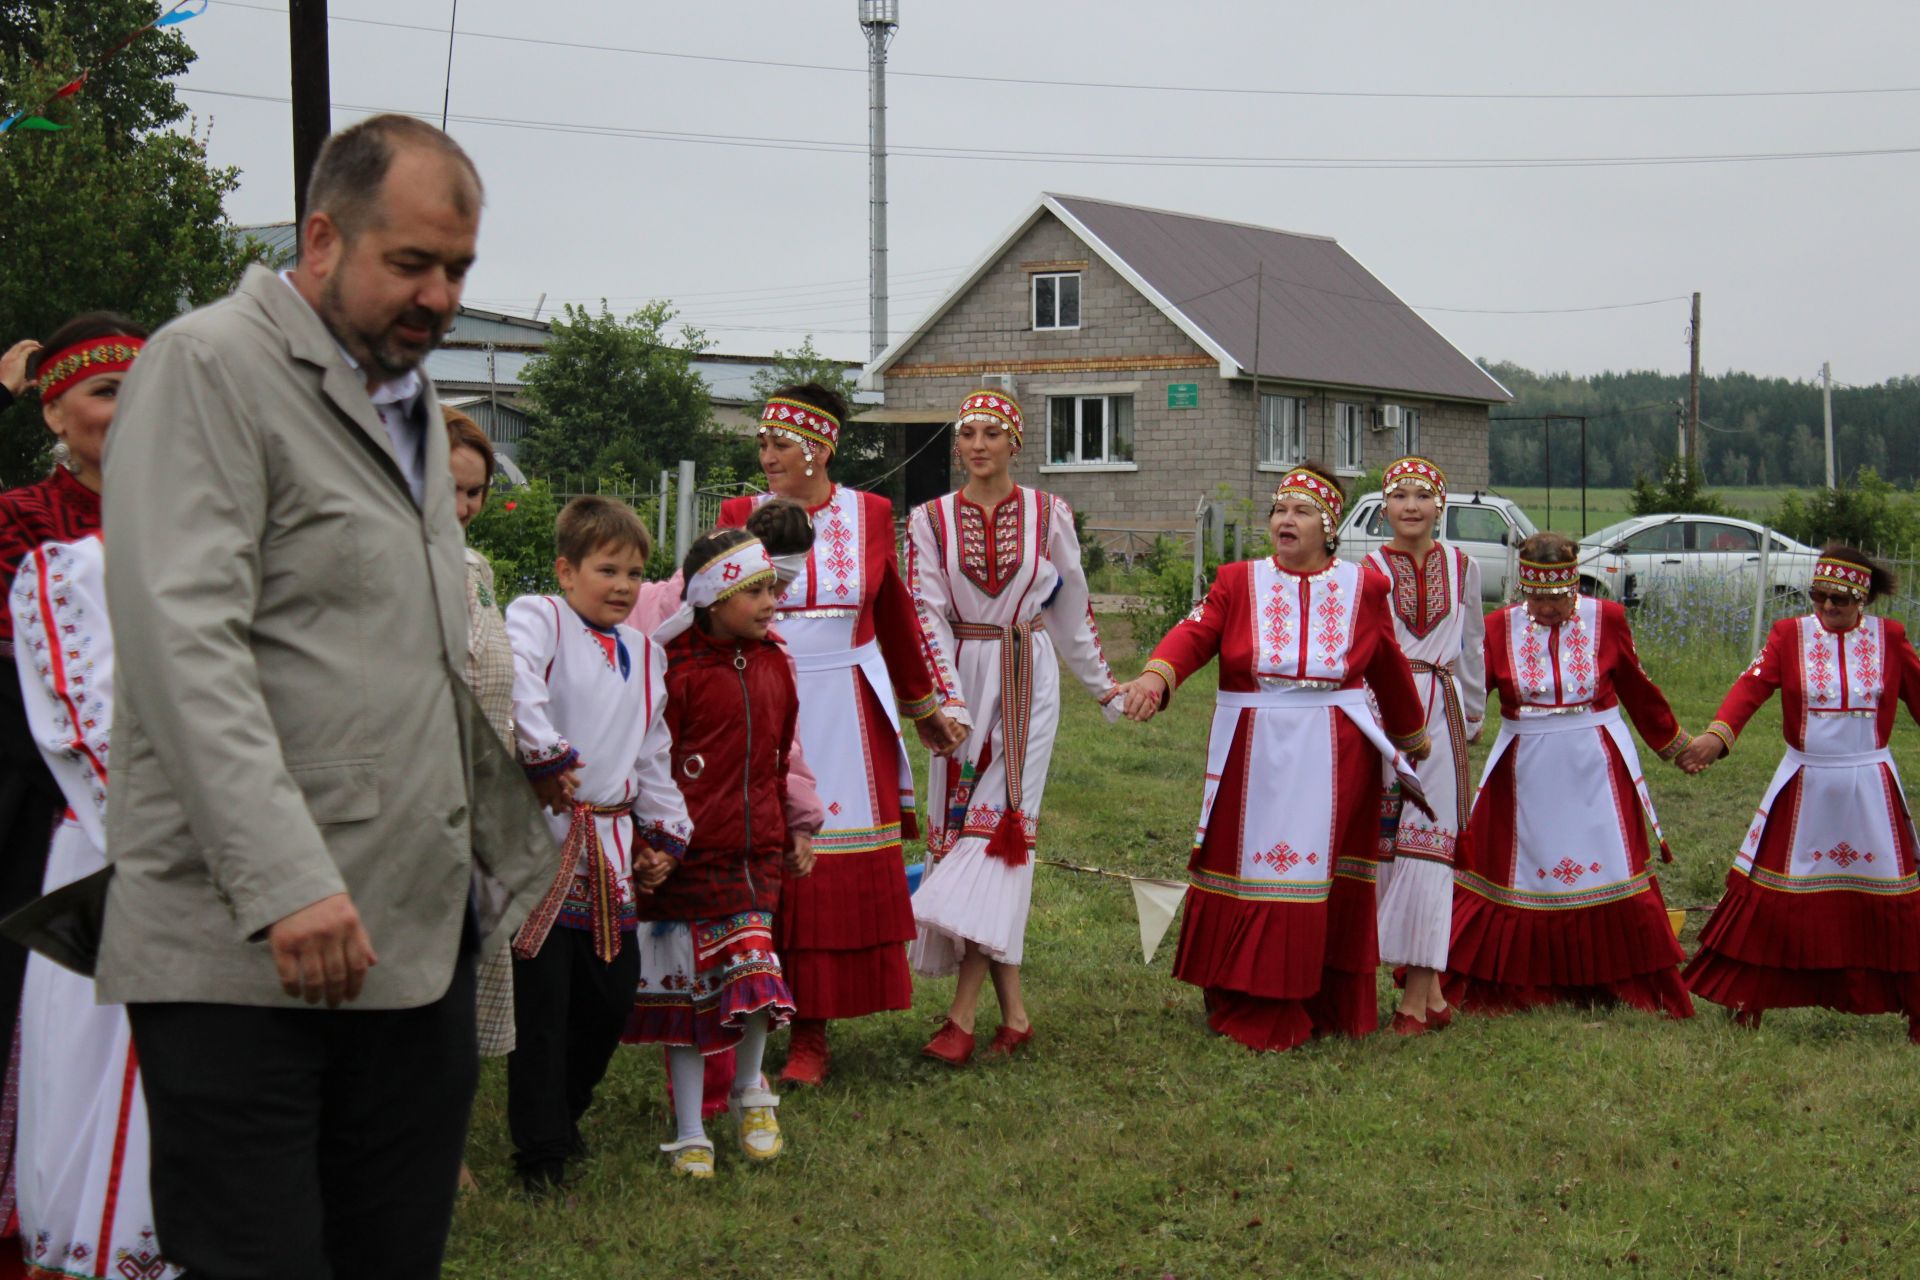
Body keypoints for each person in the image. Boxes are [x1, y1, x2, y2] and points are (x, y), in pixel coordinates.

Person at [101, 115, 551, 1277]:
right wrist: (288, 878)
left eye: (458, 269)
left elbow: (404, 656)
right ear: (319, 236)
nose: (440, 295)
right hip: (252, 942)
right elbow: (181, 637)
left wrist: (498, 850)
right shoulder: (206, 367)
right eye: (410, 263)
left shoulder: (405, 397)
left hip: (409, 935)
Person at [1110, 465, 1431, 1052]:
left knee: (1316, 871)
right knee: (1257, 866)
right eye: (1280, 510)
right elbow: (1195, 633)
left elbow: (1386, 663)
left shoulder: (1364, 589)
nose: (1285, 520)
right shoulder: (1237, 582)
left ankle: (1321, 1000)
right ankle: (1250, 996)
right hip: (1254, 746)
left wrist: (1412, 737)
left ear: (1329, 528)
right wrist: (1157, 677)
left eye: (1301, 512)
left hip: (1339, 751)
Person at [719, 382, 966, 1086]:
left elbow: (892, 618)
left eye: (779, 444)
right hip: (761, 700)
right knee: (760, 861)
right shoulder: (740, 516)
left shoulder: (872, 514)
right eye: (761, 442)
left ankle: (811, 1036)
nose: (765, 455)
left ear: (820, 449)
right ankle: (745, 1014)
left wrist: (928, 712)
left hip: (847, 714)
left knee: (825, 874)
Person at [9, 339, 175, 1277]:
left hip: (242, 859)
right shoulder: (64, 564)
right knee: (113, 1076)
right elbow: (86, 729)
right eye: (111, 392)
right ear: (55, 412)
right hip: (120, 849)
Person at [906, 391, 1121, 1064]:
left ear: (1015, 442)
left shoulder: (1047, 514)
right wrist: (946, 701)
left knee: (997, 838)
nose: (977, 443)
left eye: (992, 432)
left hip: (1027, 677)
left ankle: (962, 1019)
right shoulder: (930, 520)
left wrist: (1108, 691)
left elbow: (1072, 610)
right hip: (959, 681)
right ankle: (1017, 1016)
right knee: (961, 833)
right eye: (967, 432)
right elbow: (925, 612)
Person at [503, 496, 692, 1193]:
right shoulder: (539, 616)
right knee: (543, 1006)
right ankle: (540, 1154)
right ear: (566, 569)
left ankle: (564, 1113)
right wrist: (545, 750)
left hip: (609, 844)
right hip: (546, 838)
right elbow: (518, 677)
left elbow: (652, 750)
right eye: (607, 568)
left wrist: (668, 831)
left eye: (636, 573)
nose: (622, 585)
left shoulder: (644, 652)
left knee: (610, 1000)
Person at [628, 529, 821, 1177]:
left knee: (756, 979)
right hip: (685, 859)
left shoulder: (776, 663)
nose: (773, 601)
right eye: (756, 590)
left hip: (756, 852)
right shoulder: (672, 671)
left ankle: (751, 1090)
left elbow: (785, 754)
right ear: (712, 597)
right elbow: (648, 763)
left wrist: (800, 822)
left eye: (773, 587)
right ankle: (690, 1134)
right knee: (686, 998)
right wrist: (654, 839)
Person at [1444, 532, 1695, 1019]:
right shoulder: (1496, 629)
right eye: (1536, 597)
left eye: (1557, 598)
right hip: (1523, 770)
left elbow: (1639, 691)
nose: (1547, 608)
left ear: (1575, 586)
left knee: (1607, 865)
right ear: (1522, 589)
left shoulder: (1609, 621)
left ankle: (1625, 982)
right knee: (1513, 873)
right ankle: (1513, 984)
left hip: (1595, 766)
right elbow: (1472, 697)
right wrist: (1450, 731)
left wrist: (1678, 746)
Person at [1678, 546, 1920, 1040]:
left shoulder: (1891, 638)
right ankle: (1748, 1000)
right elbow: (1750, 687)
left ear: (1864, 599)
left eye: (1841, 599)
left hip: (1870, 784)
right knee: (1773, 898)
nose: (1828, 607)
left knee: (1893, 899)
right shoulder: (1789, 635)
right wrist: (1716, 736)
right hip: (1805, 782)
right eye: (1820, 596)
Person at [1363, 457, 1486, 1035]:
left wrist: (1474, 713)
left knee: (1429, 847)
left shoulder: (1464, 567)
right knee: (1385, 845)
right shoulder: (1364, 568)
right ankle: (1433, 992)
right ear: (1384, 507)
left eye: (1422, 495)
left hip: (1441, 709)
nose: (1410, 505)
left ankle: (1414, 1000)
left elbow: (1473, 646)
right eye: (1399, 495)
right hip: (1380, 712)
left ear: (1441, 506)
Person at [446, 409, 516, 1195]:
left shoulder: (476, 568)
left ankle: (445, 1138)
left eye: (475, 491)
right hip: (415, 803)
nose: (462, 504)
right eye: (450, 487)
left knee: (462, 979)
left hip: (482, 796)